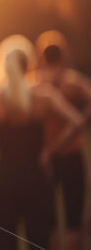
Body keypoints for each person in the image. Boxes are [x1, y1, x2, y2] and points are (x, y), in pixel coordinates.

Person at [0, 35, 85, 250]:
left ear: (2, 64)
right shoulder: (43, 97)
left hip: (2, 184)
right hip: (37, 182)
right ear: (30, 64)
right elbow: (77, 123)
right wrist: (52, 150)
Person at [35, 30, 90, 250]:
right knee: (74, 221)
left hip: (45, 157)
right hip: (71, 154)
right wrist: (82, 121)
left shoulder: (36, 84)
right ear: (63, 55)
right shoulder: (72, 82)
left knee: (48, 224)